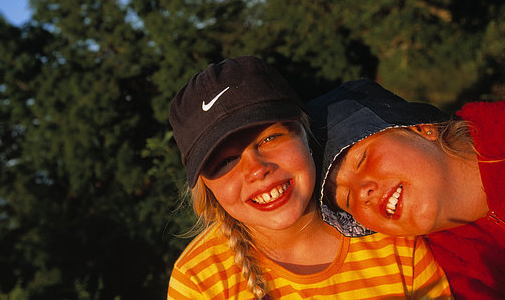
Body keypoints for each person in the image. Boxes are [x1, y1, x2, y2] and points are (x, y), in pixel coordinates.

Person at [167, 57, 451, 299]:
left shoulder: (393, 232)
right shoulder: (198, 281)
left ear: (306, 132)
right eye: (226, 161)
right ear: (206, 185)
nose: (256, 169)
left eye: (269, 138)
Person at [305, 78, 505, 299]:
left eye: (362, 159)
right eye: (347, 199)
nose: (363, 192)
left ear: (422, 128)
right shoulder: (441, 276)